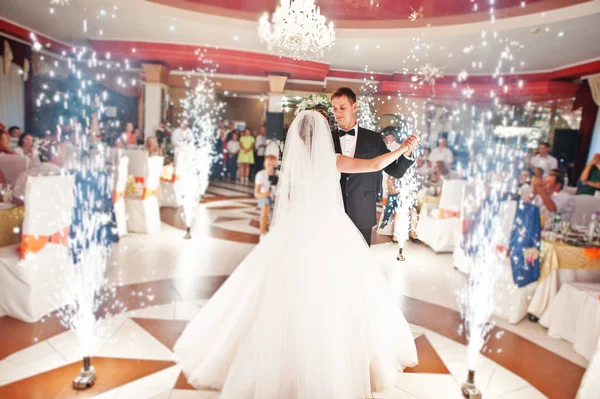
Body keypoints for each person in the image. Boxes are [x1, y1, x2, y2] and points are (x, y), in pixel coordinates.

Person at [174, 111, 417, 398]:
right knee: (336, 294)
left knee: (288, 293)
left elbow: (289, 199)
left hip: (297, 228)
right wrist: (402, 149)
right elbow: (375, 164)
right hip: (331, 229)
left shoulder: (295, 165)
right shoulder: (332, 160)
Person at [331, 87, 418, 246]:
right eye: (334, 108)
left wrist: (407, 151)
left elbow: (395, 171)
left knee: (361, 260)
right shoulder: (326, 138)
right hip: (332, 210)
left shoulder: (373, 138)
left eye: (342, 107)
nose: (338, 113)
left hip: (362, 209)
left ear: (355, 107)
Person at [254, 155, 278, 237]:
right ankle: (262, 234)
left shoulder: (279, 174)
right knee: (265, 207)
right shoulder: (260, 175)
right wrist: (265, 194)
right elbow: (256, 194)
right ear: (265, 164)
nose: (271, 167)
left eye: (273, 165)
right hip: (263, 196)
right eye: (268, 165)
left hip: (276, 196)